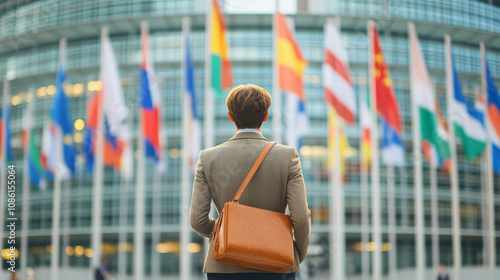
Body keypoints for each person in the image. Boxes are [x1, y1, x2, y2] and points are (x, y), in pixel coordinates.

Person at [190, 84, 311, 280]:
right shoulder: (287, 156)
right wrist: (295, 252)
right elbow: (301, 218)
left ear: (230, 116)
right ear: (265, 115)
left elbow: (198, 220)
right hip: (276, 263)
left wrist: (230, 234)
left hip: (224, 265)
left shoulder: (208, 158)